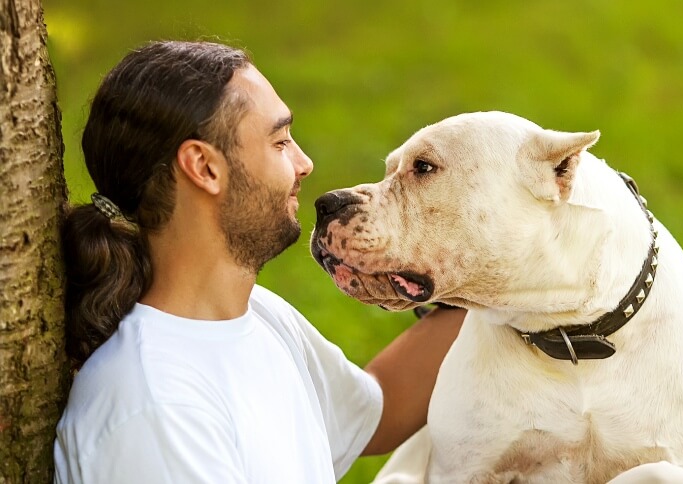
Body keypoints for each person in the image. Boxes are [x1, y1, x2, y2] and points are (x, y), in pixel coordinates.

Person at [54, 40, 465, 483]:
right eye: (280, 141)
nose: (304, 163)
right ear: (204, 167)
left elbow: (380, 407)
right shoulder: (153, 407)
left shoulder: (257, 315)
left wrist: (512, 283)